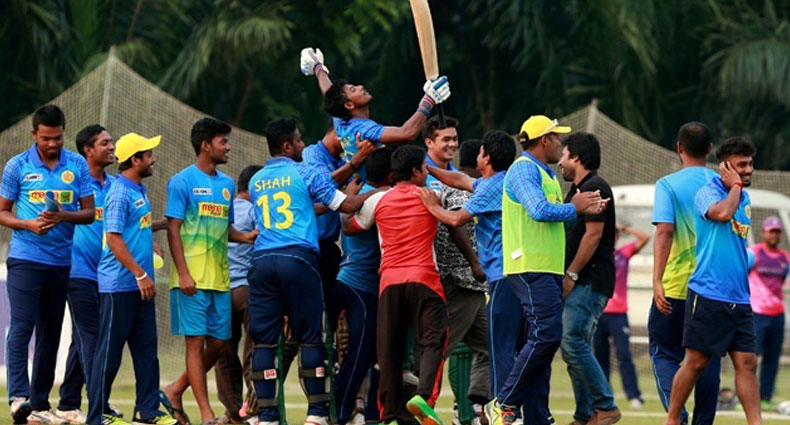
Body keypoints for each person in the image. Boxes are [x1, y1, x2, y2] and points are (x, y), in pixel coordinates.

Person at [246, 118, 375, 425]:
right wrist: (377, 194)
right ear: (287, 146)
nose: (303, 146)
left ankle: (267, 417)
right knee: (311, 337)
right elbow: (345, 205)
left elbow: (301, 206)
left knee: (264, 341)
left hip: (262, 261)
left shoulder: (256, 180)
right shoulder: (304, 171)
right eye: (299, 140)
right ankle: (316, 413)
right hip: (298, 259)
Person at [483, 116, 606, 425]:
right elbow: (538, 210)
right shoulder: (524, 169)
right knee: (547, 334)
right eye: (556, 138)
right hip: (529, 265)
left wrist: (583, 210)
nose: (560, 145)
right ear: (544, 141)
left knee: (542, 341)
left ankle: (536, 417)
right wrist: (576, 206)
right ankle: (503, 404)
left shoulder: (546, 174)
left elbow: (558, 220)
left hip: (545, 268)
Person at [0, 105, 96, 424]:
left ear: (64, 132)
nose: (52, 144)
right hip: (25, 259)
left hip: (61, 262)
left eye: (57, 137)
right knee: (22, 326)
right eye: (45, 138)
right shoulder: (17, 165)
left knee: (50, 334)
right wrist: (28, 224)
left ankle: (39, 406)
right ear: (34, 134)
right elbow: (2, 212)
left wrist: (63, 216)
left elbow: (89, 213)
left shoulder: (77, 164)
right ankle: (19, 398)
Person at [344, 145, 448, 425]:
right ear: (415, 171)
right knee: (434, 340)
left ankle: (390, 414)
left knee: (389, 349)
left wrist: (353, 197)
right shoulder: (431, 196)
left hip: (389, 281)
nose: (427, 173)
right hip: (425, 278)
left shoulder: (378, 200)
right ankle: (423, 398)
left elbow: (350, 227)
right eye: (424, 168)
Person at [163, 118, 257, 425]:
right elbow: (173, 229)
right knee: (195, 344)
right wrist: (183, 273)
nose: (228, 147)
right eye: (223, 141)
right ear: (206, 146)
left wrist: (246, 237)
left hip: (221, 280)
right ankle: (206, 414)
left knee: (218, 345)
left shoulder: (227, 185)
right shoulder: (181, 182)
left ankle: (175, 389)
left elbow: (225, 229)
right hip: (191, 279)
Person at [417, 131, 517, 424]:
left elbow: (455, 217)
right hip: (466, 280)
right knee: (455, 346)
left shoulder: (486, 188)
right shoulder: (491, 184)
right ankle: (423, 400)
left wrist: (432, 205)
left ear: (486, 158)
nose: (452, 144)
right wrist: (430, 168)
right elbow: (458, 188)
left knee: (484, 346)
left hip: (478, 279)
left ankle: (477, 407)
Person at [665, 137, 761, 425]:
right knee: (696, 363)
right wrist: (735, 186)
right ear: (725, 167)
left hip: (739, 297)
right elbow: (721, 214)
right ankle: (672, 419)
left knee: (747, 363)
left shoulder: (744, 198)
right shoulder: (707, 193)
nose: (749, 170)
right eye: (742, 165)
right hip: (708, 293)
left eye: (750, 164)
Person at [87, 133, 176, 425]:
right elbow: (113, 238)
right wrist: (140, 274)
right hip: (120, 286)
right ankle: (97, 415)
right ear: (135, 160)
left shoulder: (138, 190)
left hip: (140, 287)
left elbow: (132, 228)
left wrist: (155, 233)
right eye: (148, 155)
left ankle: (147, 413)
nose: (153, 159)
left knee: (147, 353)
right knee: (109, 355)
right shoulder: (119, 193)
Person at [650, 122, 720, 425]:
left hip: (677, 286)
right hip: (714, 289)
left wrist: (656, 280)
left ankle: (676, 415)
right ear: (709, 149)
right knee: (708, 359)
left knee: (664, 353)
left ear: (679, 148)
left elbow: (665, 231)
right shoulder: (723, 184)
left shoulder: (667, 184)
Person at [299, 47, 450, 179]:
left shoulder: (341, 120)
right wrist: (429, 100)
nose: (360, 87)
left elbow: (329, 92)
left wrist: (318, 68)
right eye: (354, 89)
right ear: (349, 104)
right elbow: (406, 133)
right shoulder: (363, 129)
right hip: (374, 190)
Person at [53, 125, 119, 424]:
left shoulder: (115, 186)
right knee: (92, 339)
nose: (111, 146)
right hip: (77, 271)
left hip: (107, 276)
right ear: (88, 150)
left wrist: (149, 239)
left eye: (111, 142)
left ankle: (68, 403)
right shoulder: (76, 185)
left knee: (83, 339)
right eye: (105, 143)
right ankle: (99, 407)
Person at [557, 132, 620, 425]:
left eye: (564, 155)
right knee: (575, 345)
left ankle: (606, 406)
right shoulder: (578, 190)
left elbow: (593, 236)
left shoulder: (595, 187)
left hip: (589, 280)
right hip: (583, 280)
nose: (560, 162)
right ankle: (584, 416)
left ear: (577, 158)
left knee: (571, 341)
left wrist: (571, 273)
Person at [335, 148, 393, 425]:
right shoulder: (379, 197)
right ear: (392, 175)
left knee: (371, 353)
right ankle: (340, 412)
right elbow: (349, 226)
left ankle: (369, 414)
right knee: (360, 354)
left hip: (354, 281)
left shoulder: (356, 192)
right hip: (361, 285)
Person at [302, 119, 375, 328]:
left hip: (329, 246)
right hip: (308, 244)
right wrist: (356, 161)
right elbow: (320, 190)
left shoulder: (344, 162)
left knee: (335, 305)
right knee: (308, 308)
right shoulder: (311, 155)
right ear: (338, 132)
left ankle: (332, 342)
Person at [213, 164, 264, 423]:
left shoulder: (222, 208)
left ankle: (232, 412)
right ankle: (255, 409)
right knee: (254, 352)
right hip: (248, 289)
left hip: (221, 289)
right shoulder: (258, 211)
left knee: (223, 354)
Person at [593, 223, 650, 410]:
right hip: (599, 312)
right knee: (600, 356)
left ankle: (634, 395)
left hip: (618, 314)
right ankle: (603, 396)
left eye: (615, 234)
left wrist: (625, 229)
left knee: (624, 354)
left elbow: (645, 238)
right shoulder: (597, 252)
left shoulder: (623, 253)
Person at [748, 216, 789, 409]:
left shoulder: (785, 258)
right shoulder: (754, 253)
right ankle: (746, 397)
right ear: (764, 232)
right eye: (771, 231)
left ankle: (765, 397)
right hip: (756, 313)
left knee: (772, 359)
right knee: (750, 358)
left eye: (777, 232)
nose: (774, 235)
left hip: (778, 314)